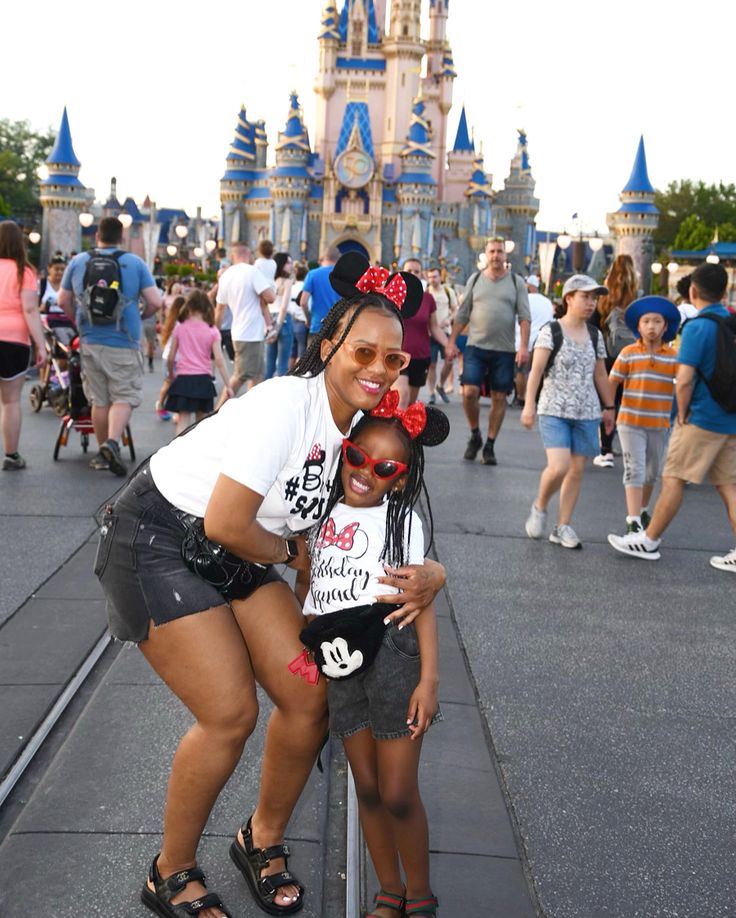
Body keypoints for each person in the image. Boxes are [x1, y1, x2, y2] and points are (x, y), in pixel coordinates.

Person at [93, 252, 446, 918]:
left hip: (240, 546)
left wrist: (435, 573)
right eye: (362, 352)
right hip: (160, 539)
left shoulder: (361, 432)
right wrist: (293, 550)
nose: (376, 369)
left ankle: (260, 839)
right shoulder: (287, 404)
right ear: (327, 347)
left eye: (392, 360)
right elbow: (228, 520)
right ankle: (168, 871)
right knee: (229, 714)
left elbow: (381, 520)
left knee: (309, 694)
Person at [299, 395, 445, 918]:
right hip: (341, 659)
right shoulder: (319, 511)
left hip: (393, 654)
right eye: (357, 457)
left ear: (400, 478)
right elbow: (309, 580)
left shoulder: (402, 521)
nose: (365, 473)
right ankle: (389, 889)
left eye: (383, 467)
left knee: (399, 790)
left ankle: (421, 895)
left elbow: (420, 602)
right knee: (366, 785)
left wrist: (429, 679)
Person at [608, 263, 736, 572]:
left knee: (674, 477)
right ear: (725, 291)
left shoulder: (697, 327)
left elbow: (686, 378)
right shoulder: (731, 324)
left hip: (702, 418)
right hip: (730, 417)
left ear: (692, 292)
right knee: (729, 486)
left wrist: (683, 413)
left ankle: (648, 539)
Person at [58, 216, 161, 476]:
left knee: (99, 399)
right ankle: (113, 443)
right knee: (123, 394)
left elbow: (63, 299)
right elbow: (155, 302)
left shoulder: (79, 261)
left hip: (90, 339)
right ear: (122, 237)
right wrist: (141, 315)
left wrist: (78, 321)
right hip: (124, 339)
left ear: (97, 236)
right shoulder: (134, 263)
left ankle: (103, 450)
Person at [521, 275, 616, 549]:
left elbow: (600, 373)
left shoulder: (596, 334)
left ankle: (563, 526)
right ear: (569, 298)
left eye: (594, 298)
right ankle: (540, 506)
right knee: (559, 466)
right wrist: (529, 405)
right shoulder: (552, 331)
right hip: (553, 408)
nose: (591, 303)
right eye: (585, 297)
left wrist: (609, 407)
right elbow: (536, 371)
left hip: (586, 411)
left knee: (575, 470)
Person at [446, 237, 531, 465]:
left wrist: (523, 347)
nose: (496, 255)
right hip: (476, 346)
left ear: (505, 255)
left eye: (499, 251)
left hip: (504, 350)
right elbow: (462, 314)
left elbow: (524, 317)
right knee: (469, 392)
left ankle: (490, 445)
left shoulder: (516, 282)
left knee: (499, 396)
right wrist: (451, 341)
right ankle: (475, 434)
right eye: (492, 251)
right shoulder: (475, 280)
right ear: (486, 254)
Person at [605, 295, 680, 535]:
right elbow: (612, 382)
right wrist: (608, 408)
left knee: (651, 472)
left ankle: (644, 508)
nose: (651, 326)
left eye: (657, 321)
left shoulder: (674, 357)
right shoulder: (628, 353)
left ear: (666, 326)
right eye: (646, 321)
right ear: (638, 326)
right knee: (634, 469)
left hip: (659, 423)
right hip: (630, 421)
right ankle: (633, 518)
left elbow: (683, 385)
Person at [0, 221, 46, 470]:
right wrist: (41, 345)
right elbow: (29, 310)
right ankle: (11, 454)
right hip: (14, 341)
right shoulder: (23, 271)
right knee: (10, 402)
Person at [164, 290, 233, 435]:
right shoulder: (212, 330)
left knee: (183, 418)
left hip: (183, 378)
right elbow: (219, 360)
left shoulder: (180, 327)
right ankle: (198, 453)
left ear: (189, 306)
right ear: (207, 307)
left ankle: (179, 451)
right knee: (200, 422)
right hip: (203, 379)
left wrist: (171, 374)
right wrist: (228, 385)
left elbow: (171, 357)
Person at [592, 254, 638, 468]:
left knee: (607, 402)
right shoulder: (637, 298)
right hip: (631, 356)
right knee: (622, 402)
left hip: (608, 355)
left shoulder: (604, 297)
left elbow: (593, 325)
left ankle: (606, 449)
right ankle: (623, 445)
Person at [214, 242, 276, 400]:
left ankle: (249, 411)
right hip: (251, 333)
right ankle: (218, 413)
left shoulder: (226, 276)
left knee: (255, 375)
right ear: (248, 255)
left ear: (232, 256)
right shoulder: (252, 272)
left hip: (238, 331)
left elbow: (220, 309)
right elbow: (270, 297)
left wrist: (215, 332)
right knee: (242, 375)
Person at [395, 259, 448, 409]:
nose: (412, 274)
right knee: (402, 396)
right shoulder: (393, 296)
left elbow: (435, 327)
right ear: (401, 272)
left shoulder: (427, 299)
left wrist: (449, 345)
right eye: (409, 271)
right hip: (397, 355)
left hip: (420, 356)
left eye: (416, 271)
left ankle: (403, 431)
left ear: (421, 274)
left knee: (410, 403)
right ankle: (394, 430)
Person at [513, 275, 554, 407]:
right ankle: (534, 398)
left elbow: (516, 320)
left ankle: (521, 397)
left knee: (521, 371)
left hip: (523, 340)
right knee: (537, 371)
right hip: (542, 341)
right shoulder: (547, 302)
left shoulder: (523, 300)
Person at [425, 265, 458, 404]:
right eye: (430, 277)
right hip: (430, 334)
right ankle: (431, 392)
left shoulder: (447, 291)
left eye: (435, 276)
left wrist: (449, 320)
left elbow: (456, 309)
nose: (433, 279)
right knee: (431, 365)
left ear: (440, 277)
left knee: (449, 361)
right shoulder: (426, 293)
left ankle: (441, 386)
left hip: (446, 333)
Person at [264, 253, 295, 380]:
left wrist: (270, 327)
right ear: (281, 264)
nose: (291, 265)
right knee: (282, 364)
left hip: (269, 319)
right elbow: (283, 307)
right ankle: (280, 396)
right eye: (288, 263)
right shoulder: (287, 282)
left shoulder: (269, 281)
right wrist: (278, 327)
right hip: (284, 321)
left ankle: (262, 393)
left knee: (269, 365)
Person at [299, 245, 340, 341]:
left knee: (312, 356)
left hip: (317, 326)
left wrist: (308, 319)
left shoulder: (312, 274)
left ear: (323, 257)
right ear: (337, 258)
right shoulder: (342, 276)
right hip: (337, 328)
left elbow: (303, 302)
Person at [39, 255, 76, 348]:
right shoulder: (41, 284)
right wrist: (43, 307)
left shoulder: (69, 286)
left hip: (66, 322)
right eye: (56, 269)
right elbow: (34, 308)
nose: (60, 272)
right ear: (49, 268)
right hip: (47, 324)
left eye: (62, 269)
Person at [288, 263, 309, 370]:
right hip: (302, 321)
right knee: (302, 352)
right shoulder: (305, 288)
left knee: (292, 352)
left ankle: (288, 374)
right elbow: (307, 304)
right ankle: (298, 375)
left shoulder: (292, 287)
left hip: (292, 320)